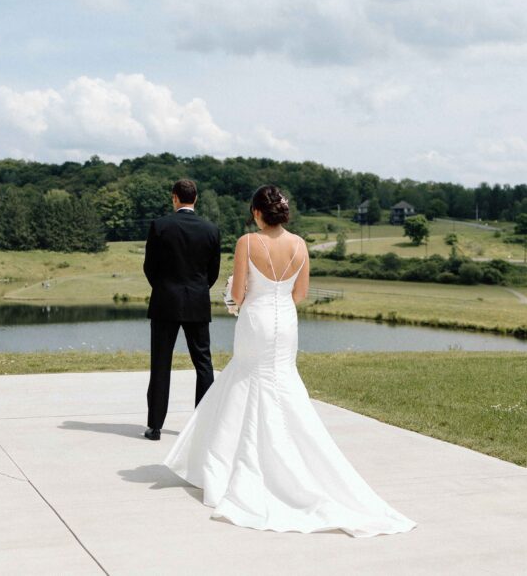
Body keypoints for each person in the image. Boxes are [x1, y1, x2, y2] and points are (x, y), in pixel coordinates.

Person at [163, 185, 416, 537]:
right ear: (282, 212)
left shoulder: (247, 243)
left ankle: (237, 466)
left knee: (245, 383)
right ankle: (291, 463)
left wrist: (236, 296)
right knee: (282, 384)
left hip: (256, 321)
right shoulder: (300, 245)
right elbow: (299, 294)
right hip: (286, 323)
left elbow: (236, 295)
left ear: (256, 213)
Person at [142, 179, 221, 441]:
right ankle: (204, 425)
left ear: (174, 197)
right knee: (203, 364)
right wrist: (197, 289)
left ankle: (155, 427)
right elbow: (213, 272)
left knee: (161, 363)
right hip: (197, 301)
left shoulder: (160, 226)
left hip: (165, 301)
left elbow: (149, 267)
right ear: (195, 198)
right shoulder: (211, 229)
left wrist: (165, 287)